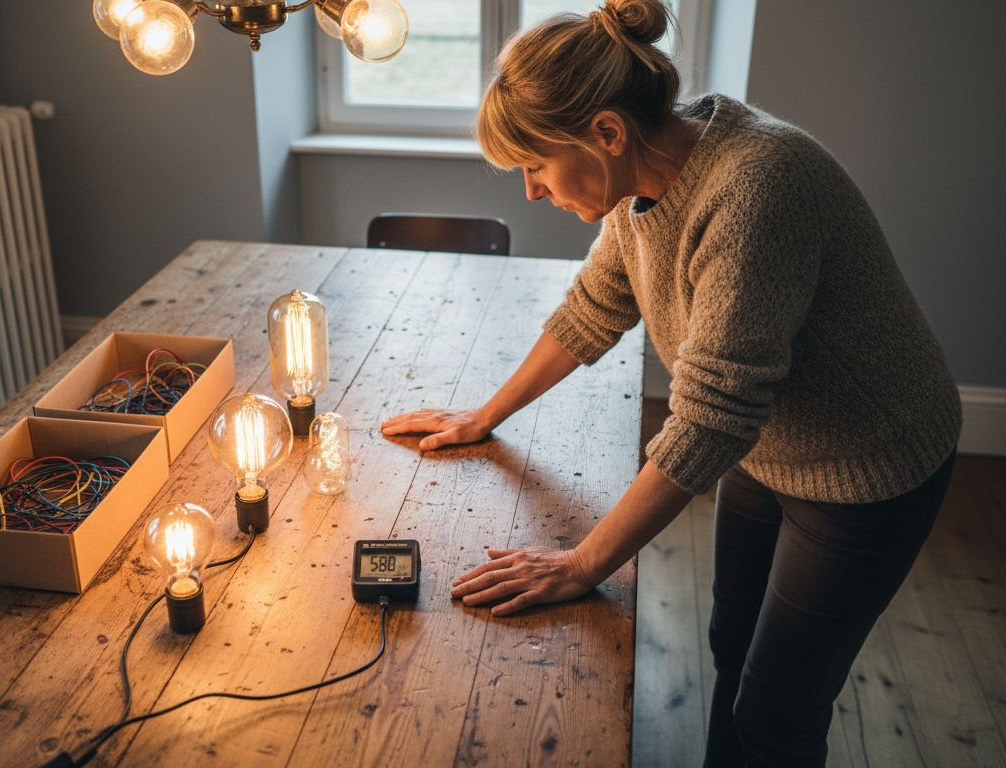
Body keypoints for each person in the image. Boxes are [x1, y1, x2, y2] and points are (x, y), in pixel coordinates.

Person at [378, 0, 963, 765]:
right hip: (767, 445)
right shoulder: (640, 184)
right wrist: (483, 415)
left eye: (535, 167)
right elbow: (595, 308)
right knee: (731, 641)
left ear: (607, 133)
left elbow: (712, 418)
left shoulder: (758, 187)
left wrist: (582, 564)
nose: (529, 191)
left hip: (866, 466)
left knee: (778, 712)